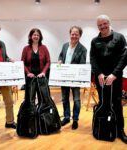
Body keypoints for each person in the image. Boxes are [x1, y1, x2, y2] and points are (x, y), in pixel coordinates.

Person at [90, 14, 127, 144]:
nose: (102, 27)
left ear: (109, 23)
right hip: (101, 79)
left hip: (115, 78)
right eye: (99, 25)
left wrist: (114, 74)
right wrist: (99, 73)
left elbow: (124, 57)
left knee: (117, 104)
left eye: (104, 24)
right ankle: (104, 127)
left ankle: (120, 130)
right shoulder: (95, 41)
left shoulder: (119, 38)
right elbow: (93, 59)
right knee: (103, 103)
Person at [58, 26, 87, 130]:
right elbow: (61, 56)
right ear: (70, 34)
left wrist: (73, 70)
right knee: (64, 99)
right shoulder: (65, 45)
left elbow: (82, 64)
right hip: (64, 78)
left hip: (75, 79)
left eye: (76, 34)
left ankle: (75, 119)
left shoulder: (83, 49)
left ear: (80, 36)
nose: (74, 36)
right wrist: (60, 61)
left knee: (76, 100)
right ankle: (66, 117)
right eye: (72, 34)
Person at [21, 28, 50, 102]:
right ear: (31, 36)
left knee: (43, 99)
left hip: (42, 78)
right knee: (30, 99)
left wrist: (43, 72)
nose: (36, 36)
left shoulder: (44, 48)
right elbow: (22, 63)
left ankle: (42, 113)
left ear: (40, 37)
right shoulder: (26, 48)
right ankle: (31, 113)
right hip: (30, 78)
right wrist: (28, 73)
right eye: (34, 35)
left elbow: (48, 62)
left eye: (38, 35)